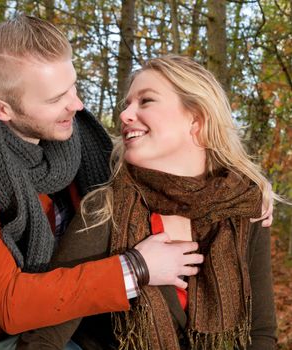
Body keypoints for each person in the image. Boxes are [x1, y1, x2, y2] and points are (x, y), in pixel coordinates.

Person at [0, 15, 210, 350]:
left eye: (73, 86)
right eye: (56, 98)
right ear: (1, 109)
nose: (77, 104)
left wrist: (243, 189)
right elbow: (9, 303)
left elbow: (154, 159)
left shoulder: (76, 139)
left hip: (75, 326)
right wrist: (136, 268)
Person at [17, 55, 278, 350]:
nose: (125, 115)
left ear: (196, 119)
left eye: (146, 101)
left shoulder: (245, 207)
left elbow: (261, 333)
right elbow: (43, 336)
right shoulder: (107, 209)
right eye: (126, 104)